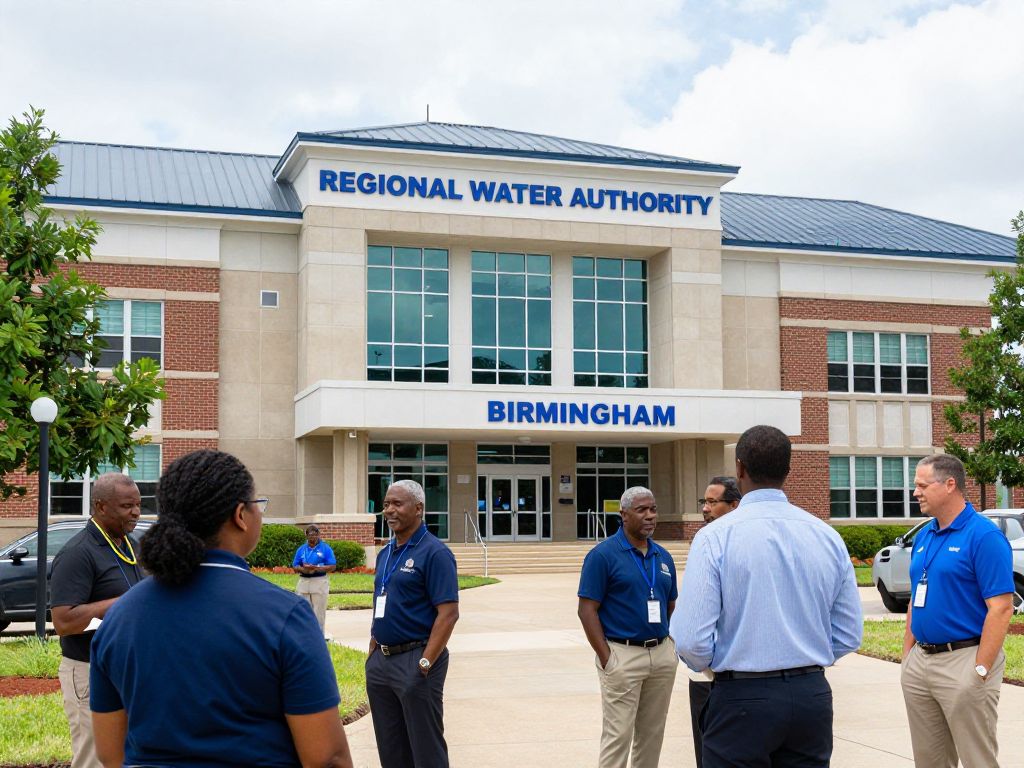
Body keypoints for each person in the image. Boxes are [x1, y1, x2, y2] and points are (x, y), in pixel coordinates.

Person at [89, 449, 352, 768]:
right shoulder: (285, 615)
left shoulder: (119, 617)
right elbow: (327, 758)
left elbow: (109, 753)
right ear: (240, 515)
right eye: (258, 506)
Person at [672, 425, 862, 768]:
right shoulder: (826, 536)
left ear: (740, 468)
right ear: (788, 471)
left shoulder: (715, 538)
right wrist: (803, 658)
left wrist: (718, 667)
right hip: (810, 696)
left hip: (742, 697)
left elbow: (689, 640)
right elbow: (848, 634)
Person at [900, 454, 1014, 767]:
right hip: (921, 662)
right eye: (915, 486)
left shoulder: (984, 536)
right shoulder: (925, 534)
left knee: (977, 760)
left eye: (922, 485)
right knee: (930, 761)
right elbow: (915, 597)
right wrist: (907, 654)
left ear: (950, 484)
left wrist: (979, 669)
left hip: (964, 661)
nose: (915, 493)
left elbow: (1001, 608)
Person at [577, 486, 678, 768]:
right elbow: (587, 610)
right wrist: (608, 659)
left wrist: (668, 646)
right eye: (642, 510)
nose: (650, 516)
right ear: (624, 515)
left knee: (652, 735)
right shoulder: (603, 556)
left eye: (653, 509)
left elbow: (670, 602)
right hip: (622, 655)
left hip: (660, 655)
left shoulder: (663, 556)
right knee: (618, 736)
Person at [50, 473, 146, 768]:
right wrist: (126, 603)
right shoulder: (78, 553)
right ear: (101, 506)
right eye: (127, 506)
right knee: (94, 758)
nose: (136, 512)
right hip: (89, 671)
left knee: (129, 755)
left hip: (130, 668)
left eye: (139, 505)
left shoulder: (131, 546)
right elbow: (63, 621)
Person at [367, 479, 459, 768]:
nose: (388, 510)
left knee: (426, 751)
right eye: (385, 504)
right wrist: (372, 655)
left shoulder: (435, 553)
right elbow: (379, 605)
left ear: (418, 508)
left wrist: (425, 663)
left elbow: (449, 613)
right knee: (391, 750)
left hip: (416, 661)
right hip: (382, 663)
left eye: (397, 503)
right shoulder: (386, 554)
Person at [688, 476, 742, 768]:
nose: (705, 509)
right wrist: (702, 664)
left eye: (712, 502)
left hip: (735, 675)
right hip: (703, 673)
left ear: (734, 505)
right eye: (704, 502)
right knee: (705, 752)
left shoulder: (744, 544)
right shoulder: (704, 541)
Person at [293, 524, 336, 633]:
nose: (312, 537)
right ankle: (303, 633)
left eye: (315, 534)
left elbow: (332, 566)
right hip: (304, 581)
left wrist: (316, 568)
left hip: (319, 581)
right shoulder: (301, 549)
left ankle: (318, 635)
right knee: (302, 610)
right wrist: (304, 570)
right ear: (306, 536)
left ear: (318, 535)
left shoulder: (325, 548)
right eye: (310, 535)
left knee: (319, 611)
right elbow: (295, 565)